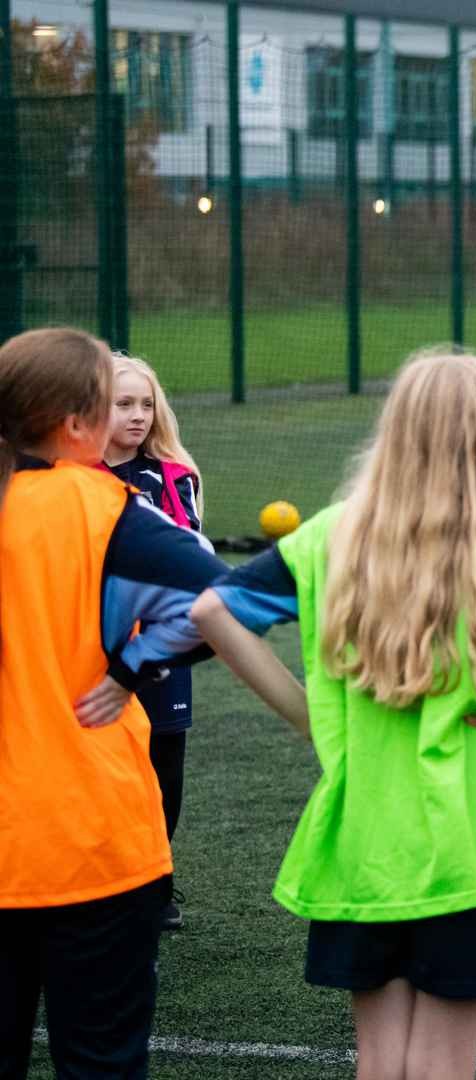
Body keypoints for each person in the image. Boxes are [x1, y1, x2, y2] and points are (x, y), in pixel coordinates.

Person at [190, 347, 476, 1080]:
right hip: (468, 843)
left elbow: (213, 611)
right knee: (443, 1065)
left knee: (380, 1063)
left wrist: (304, 712)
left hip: (360, 842)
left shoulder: (328, 533)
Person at [0, 326, 231, 1079]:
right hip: (93, 845)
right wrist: (133, 665)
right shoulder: (106, 510)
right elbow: (220, 599)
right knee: (101, 1063)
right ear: (76, 423)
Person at [101, 352, 205, 932]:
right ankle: (106, 875)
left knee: (163, 756)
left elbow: (186, 555)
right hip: (95, 650)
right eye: (123, 404)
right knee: (106, 760)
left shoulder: (172, 477)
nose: (137, 416)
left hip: (162, 651)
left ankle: (157, 878)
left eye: (146, 404)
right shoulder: (72, 478)